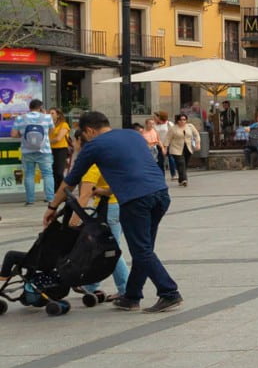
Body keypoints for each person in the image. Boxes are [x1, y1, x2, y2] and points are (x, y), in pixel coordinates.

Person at [43, 110, 181, 313]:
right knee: (144, 250)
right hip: (160, 194)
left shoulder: (94, 146)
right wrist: (107, 190)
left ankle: (169, 292)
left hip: (136, 201)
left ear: (89, 130)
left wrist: (52, 207)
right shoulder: (133, 135)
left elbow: (69, 182)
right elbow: (132, 168)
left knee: (141, 251)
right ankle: (132, 296)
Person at [70, 128, 130, 299]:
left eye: (74, 141)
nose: (73, 144)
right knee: (106, 247)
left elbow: (85, 194)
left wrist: (74, 219)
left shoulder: (92, 164)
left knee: (110, 249)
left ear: (80, 142)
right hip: (117, 205)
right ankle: (91, 285)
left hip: (108, 209)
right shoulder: (107, 156)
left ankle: (125, 288)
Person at [12, 97, 55, 207]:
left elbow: (14, 135)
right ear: (40, 107)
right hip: (44, 150)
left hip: (27, 151)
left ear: (29, 107)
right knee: (47, 174)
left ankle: (30, 200)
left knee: (29, 175)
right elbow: (51, 131)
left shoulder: (20, 118)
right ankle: (50, 199)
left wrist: (22, 135)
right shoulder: (47, 117)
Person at [167, 113, 201, 186]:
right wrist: (164, 147)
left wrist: (198, 143)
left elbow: (196, 134)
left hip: (188, 148)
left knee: (184, 164)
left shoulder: (190, 126)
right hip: (176, 148)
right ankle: (184, 179)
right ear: (177, 120)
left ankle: (181, 179)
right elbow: (168, 138)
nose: (182, 121)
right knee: (181, 163)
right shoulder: (173, 128)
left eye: (184, 120)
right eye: (181, 120)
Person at [49, 107, 72, 190]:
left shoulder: (64, 125)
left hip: (61, 149)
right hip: (51, 149)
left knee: (59, 171)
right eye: (49, 113)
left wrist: (46, 142)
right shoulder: (49, 125)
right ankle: (55, 190)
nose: (50, 115)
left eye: (52, 113)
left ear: (58, 115)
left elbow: (59, 138)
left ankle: (64, 190)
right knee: (52, 171)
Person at [153, 111, 173, 178]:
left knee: (171, 158)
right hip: (158, 144)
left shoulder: (169, 124)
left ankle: (173, 173)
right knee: (160, 160)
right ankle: (161, 175)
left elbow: (172, 133)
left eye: (155, 116)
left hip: (168, 143)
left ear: (159, 117)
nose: (154, 118)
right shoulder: (154, 125)